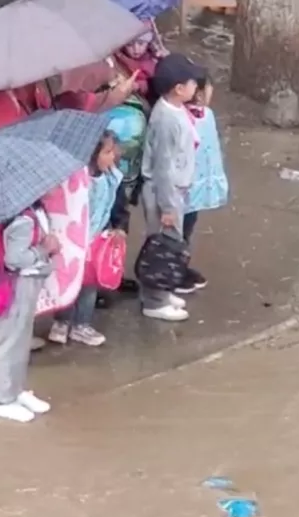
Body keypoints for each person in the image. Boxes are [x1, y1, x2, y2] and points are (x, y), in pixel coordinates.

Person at [0, 83, 52, 358]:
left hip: (11, 193)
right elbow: (3, 151)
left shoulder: (21, 95)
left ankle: (11, 331)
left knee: (11, 270)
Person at [138, 54, 203, 322]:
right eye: (192, 82)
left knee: (170, 243)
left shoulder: (173, 110)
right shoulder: (167, 119)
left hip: (173, 189)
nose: (196, 86)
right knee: (162, 247)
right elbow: (163, 167)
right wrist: (167, 206)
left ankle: (162, 294)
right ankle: (154, 301)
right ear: (178, 88)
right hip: (165, 191)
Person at [48, 132, 124, 346]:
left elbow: (119, 206)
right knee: (68, 281)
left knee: (89, 285)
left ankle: (81, 324)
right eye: (107, 152)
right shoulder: (77, 180)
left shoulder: (112, 178)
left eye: (113, 152)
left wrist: (119, 227)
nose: (113, 157)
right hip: (72, 241)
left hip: (96, 241)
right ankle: (61, 322)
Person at [0, 201, 60, 423]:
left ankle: (15, 389)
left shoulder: (35, 213)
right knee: (11, 339)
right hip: (19, 284)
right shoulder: (23, 220)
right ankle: (1, 399)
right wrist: (43, 250)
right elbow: (14, 259)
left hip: (29, 282)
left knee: (21, 337)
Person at [177, 72, 228, 294]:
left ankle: (180, 267)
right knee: (175, 232)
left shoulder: (206, 115)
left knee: (187, 228)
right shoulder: (179, 119)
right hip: (181, 187)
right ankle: (170, 273)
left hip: (197, 185)